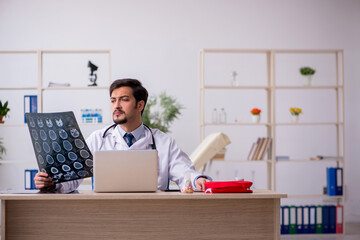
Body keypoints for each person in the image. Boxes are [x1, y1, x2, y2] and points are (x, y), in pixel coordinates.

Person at [34, 78, 211, 193]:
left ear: (140, 105)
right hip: (106, 212)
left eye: (124, 100)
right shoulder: (98, 139)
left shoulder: (163, 142)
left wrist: (198, 180)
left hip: (153, 214)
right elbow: (72, 178)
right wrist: (52, 183)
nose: (116, 105)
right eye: (113, 100)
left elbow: (185, 173)